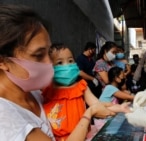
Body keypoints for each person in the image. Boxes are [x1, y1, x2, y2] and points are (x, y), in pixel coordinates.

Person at [0, 4, 115, 141]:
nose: (49, 63)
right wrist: (88, 114)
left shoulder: (35, 93)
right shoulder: (6, 120)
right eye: (38, 55)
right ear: (3, 61)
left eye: (48, 53)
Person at [42, 43, 131, 140]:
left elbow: (98, 106)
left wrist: (121, 108)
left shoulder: (81, 87)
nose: (67, 66)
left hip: (82, 136)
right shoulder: (45, 90)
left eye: (70, 61)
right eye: (60, 63)